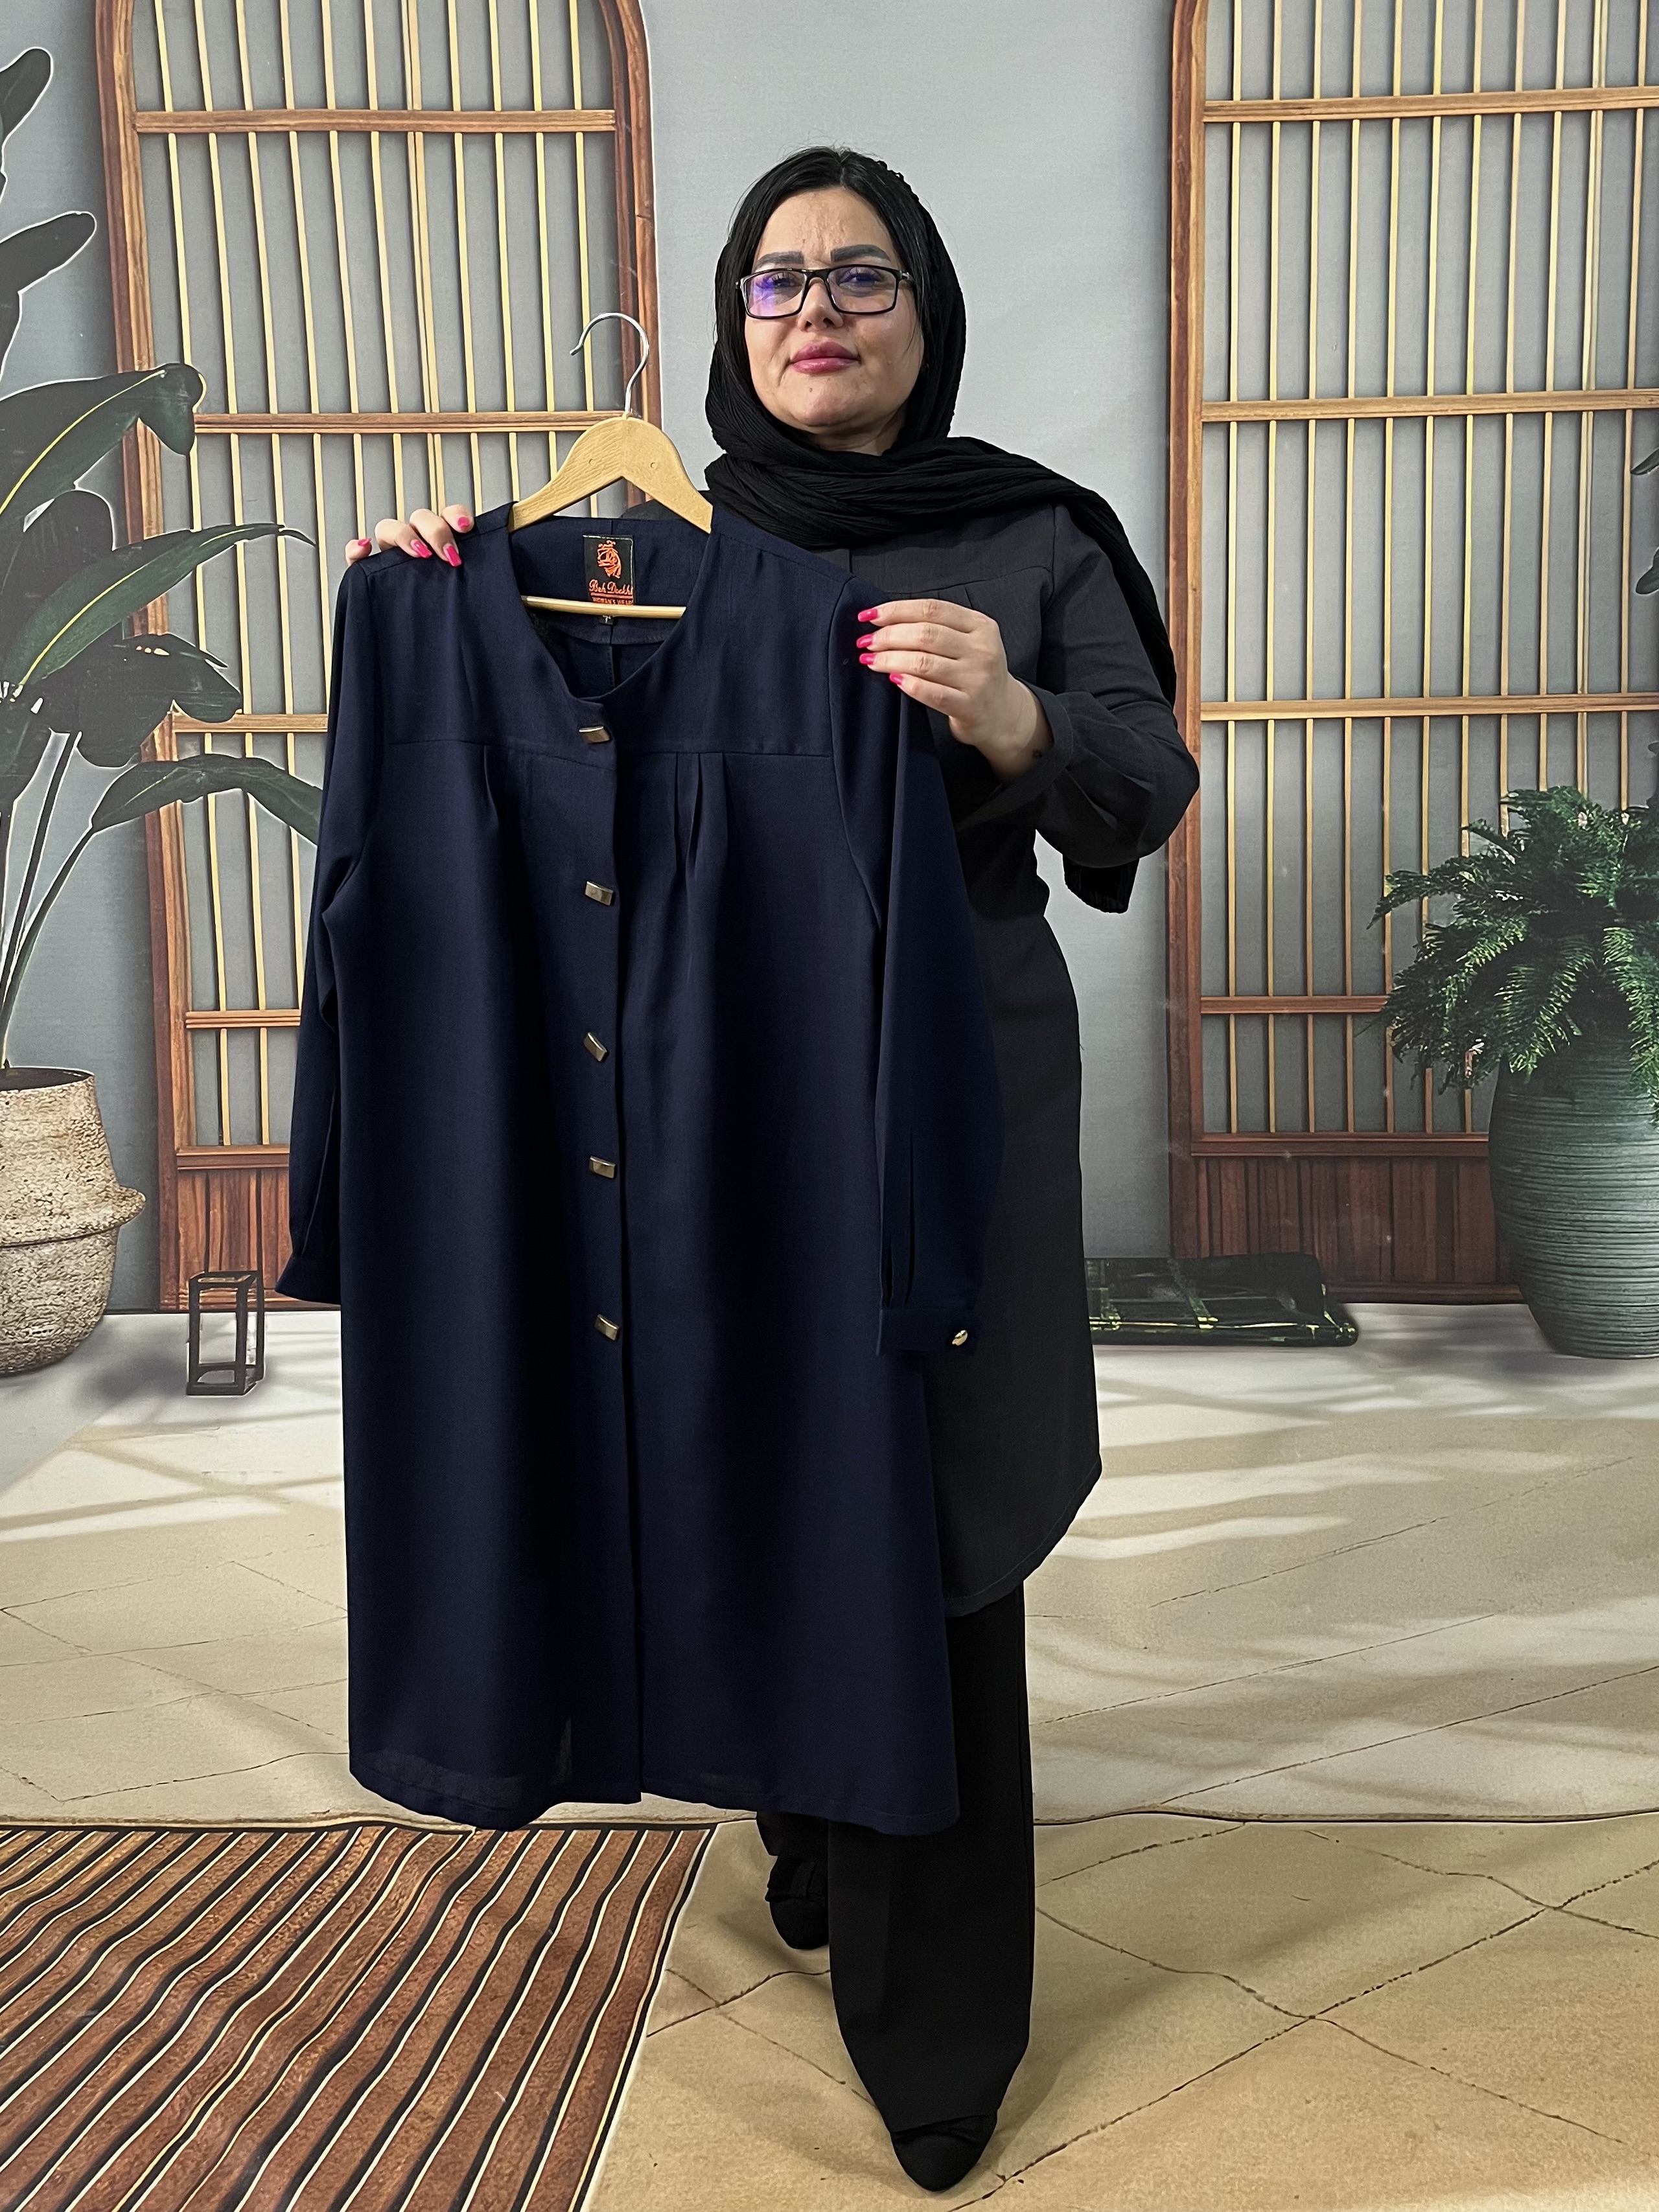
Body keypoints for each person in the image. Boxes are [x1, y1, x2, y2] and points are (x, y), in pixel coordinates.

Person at [345, 144, 1197, 2195]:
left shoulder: (1034, 534)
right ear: (733, 319)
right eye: (778, 281)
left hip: (956, 1062)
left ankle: (939, 2036)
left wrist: (1011, 711)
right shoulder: (672, 537)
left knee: (925, 1506)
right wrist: (432, 578)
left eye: (861, 277)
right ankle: (807, 1819)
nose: (819, 313)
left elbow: (1147, 779)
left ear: (926, 308)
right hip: (721, 1070)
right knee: (743, 1442)